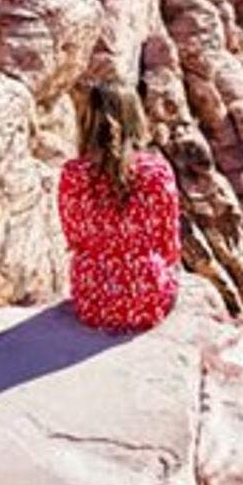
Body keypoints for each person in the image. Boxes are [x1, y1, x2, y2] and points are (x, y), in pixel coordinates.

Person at [57, 82, 181, 332]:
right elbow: (169, 244)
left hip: (91, 302)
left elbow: (74, 238)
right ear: (136, 118)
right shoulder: (156, 171)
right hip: (146, 299)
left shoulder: (72, 174)